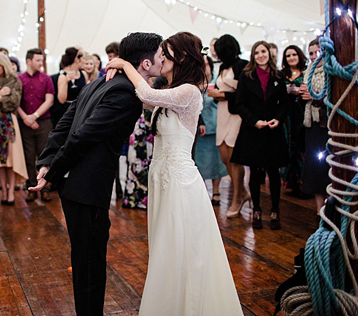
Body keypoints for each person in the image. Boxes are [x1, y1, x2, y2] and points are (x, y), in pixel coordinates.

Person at [104, 32, 243, 315]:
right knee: (165, 249)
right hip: (161, 178)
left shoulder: (189, 91)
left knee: (180, 249)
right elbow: (143, 98)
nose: (160, 58)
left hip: (180, 182)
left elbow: (146, 95)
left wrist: (123, 63)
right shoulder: (171, 91)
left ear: (180, 57)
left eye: (165, 54)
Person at [30, 32, 164, 315]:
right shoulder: (126, 93)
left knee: (83, 259)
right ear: (146, 63)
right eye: (160, 56)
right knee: (90, 263)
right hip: (87, 188)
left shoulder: (97, 84)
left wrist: (47, 162)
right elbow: (82, 136)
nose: (163, 61)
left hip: (74, 187)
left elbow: (63, 127)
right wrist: (51, 171)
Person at [231, 41, 288, 230]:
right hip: (253, 130)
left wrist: (277, 120)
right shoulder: (246, 76)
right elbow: (239, 104)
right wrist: (254, 121)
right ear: (253, 56)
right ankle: (256, 209)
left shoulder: (279, 76)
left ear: (269, 54)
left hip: (273, 131)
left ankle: (275, 210)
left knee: (274, 172)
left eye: (263, 52)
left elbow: (284, 105)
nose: (261, 55)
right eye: (257, 52)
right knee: (254, 173)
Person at [207, 34, 249, 218]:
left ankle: (237, 197)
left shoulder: (242, 65)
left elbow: (244, 92)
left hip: (236, 115)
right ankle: (243, 191)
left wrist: (222, 95)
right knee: (224, 157)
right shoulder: (223, 67)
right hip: (222, 114)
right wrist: (216, 94)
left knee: (234, 157)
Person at [0, 54, 28, 205]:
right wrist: (0, 97)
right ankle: (3, 190)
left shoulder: (14, 80)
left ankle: (11, 192)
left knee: (11, 160)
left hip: (10, 124)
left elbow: (14, 103)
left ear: (4, 65)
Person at [17, 49, 55, 202]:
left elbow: (49, 100)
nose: (41, 63)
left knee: (45, 156)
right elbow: (16, 103)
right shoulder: (19, 80)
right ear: (29, 61)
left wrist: (34, 116)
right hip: (24, 122)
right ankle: (31, 187)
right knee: (28, 156)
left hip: (44, 122)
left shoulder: (46, 79)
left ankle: (45, 187)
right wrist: (26, 118)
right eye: (38, 60)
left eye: (42, 60)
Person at [300, 39, 331, 219]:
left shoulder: (330, 72)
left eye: (317, 52)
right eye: (311, 53)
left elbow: (335, 99)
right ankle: (319, 209)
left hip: (326, 125)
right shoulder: (307, 72)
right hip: (311, 124)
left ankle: (330, 208)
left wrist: (316, 97)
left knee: (328, 167)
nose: (313, 57)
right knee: (314, 168)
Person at [195, 55, 228, 206]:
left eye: (206, 64)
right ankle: (202, 191)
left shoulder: (217, 81)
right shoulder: (194, 83)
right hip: (199, 128)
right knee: (200, 162)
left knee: (216, 161)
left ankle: (216, 191)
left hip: (216, 124)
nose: (205, 67)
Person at [280, 45, 308, 198]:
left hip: (301, 114)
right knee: (288, 146)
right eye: (288, 55)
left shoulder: (306, 73)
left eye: (294, 55)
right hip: (286, 116)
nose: (291, 58)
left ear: (299, 56)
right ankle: (291, 182)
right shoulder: (282, 75)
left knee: (300, 147)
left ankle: (304, 184)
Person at [53, 47, 87, 126]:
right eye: (83, 58)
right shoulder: (63, 76)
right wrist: (66, 81)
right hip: (67, 111)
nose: (84, 61)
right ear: (77, 59)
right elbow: (61, 99)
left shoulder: (83, 74)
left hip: (81, 110)